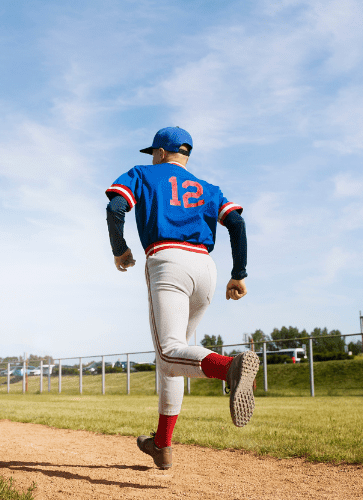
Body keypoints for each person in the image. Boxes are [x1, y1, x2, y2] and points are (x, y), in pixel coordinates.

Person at [105, 126, 258, 470]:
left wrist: (120, 249)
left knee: (169, 351)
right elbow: (236, 223)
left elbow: (116, 208)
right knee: (173, 358)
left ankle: (229, 368)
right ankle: (161, 445)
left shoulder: (144, 173)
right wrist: (239, 273)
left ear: (160, 152)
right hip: (206, 268)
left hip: (168, 260)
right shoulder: (209, 188)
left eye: (154, 153)